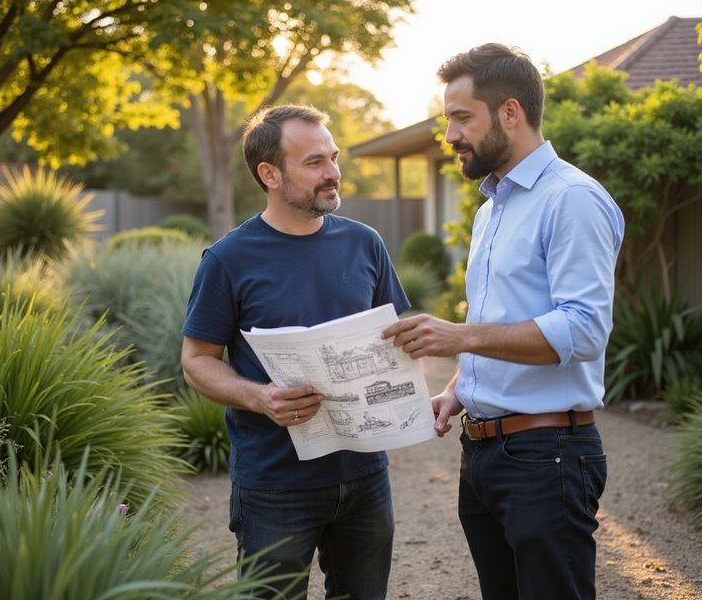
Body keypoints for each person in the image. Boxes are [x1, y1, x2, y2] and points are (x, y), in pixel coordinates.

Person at [382, 44, 624, 600]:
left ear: (510, 113)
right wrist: (459, 387)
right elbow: (503, 321)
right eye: (448, 119)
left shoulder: (573, 200)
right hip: (484, 454)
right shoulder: (492, 208)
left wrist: (457, 336)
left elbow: (583, 329)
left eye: (461, 117)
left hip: (548, 458)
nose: (449, 135)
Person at [181, 104, 409, 599]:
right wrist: (261, 397)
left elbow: (396, 335)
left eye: (333, 157)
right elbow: (196, 361)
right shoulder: (228, 259)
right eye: (313, 162)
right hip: (274, 485)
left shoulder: (364, 243)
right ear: (270, 174)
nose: (332, 173)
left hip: (366, 475)